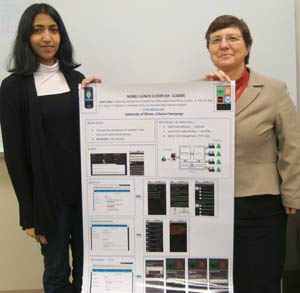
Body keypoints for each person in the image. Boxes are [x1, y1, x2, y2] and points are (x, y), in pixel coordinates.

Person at [0, 3, 100, 293]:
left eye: (53, 30)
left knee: (88, 269)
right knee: (56, 272)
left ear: (61, 35)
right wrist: (29, 216)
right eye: (38, 30)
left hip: (83, 196)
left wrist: (98, 99)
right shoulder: (13, 88)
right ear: (26, 37)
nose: (47, 37)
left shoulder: (77, 80)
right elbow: (16, 158)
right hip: (48, 201)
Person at [204, 15, 300, 293]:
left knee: (260, 279)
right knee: (215, 282)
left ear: (247, 47)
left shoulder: (274, 89)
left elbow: (291, 145)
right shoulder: (198, 90)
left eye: (232, 38)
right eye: (215, 40)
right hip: (209, 206)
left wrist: (293, 195)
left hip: (261, 205)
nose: (223, 45)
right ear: (209, 49)